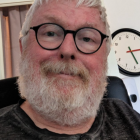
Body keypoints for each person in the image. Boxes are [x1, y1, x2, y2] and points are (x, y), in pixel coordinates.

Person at [0, 0, 140, 139]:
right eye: (50, 33)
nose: (67, 50)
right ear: (23, 48)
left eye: (86, 38)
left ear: (105, 57)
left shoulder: (129, 117)